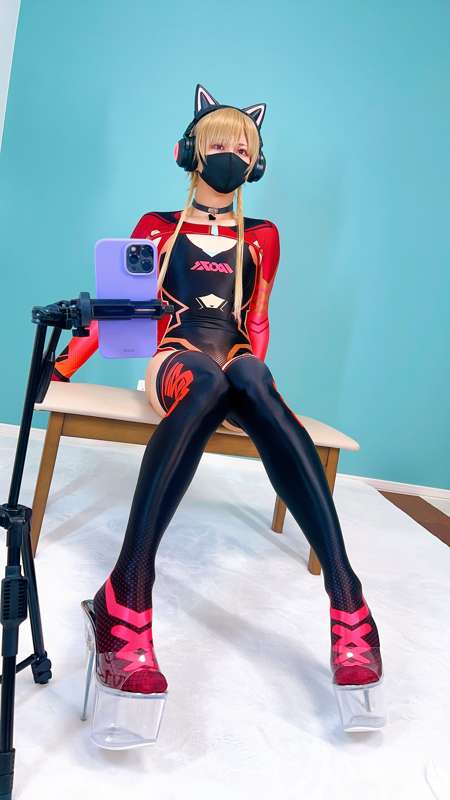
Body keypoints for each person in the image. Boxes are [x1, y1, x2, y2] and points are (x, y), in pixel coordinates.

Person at [54, 84, 383, 740]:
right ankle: (129, 590)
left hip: (232, 363)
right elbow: (119, 311)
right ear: (190, 152)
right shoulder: (155, 228)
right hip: (175, 362)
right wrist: (60, 367)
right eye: (219, 142)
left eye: (243, 145)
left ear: (256, 162)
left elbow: (256, 323)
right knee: (206, 380)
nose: (232, 152)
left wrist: (251, 390)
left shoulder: (262, 237)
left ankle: (346, 595)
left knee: (247, 373)